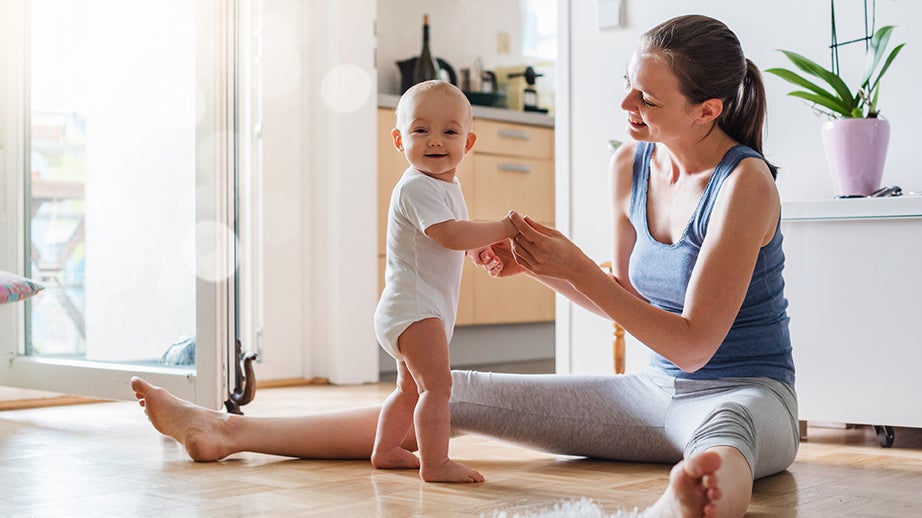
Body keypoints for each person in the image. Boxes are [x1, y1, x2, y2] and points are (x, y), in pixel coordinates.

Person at [130, 14, 797, 517]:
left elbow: (694, 342)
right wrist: (538, 264)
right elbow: (625, 301)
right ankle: (223, 430)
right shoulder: (631, 163)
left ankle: (700, 494)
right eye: (629, 88)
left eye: (647, 101)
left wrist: (575, 268)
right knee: (441, 388)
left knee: (724, 433)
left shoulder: (745, 185)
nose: (627, 108)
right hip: (649, 397)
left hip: (746, 393)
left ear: (708, 109)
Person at [370, 80, 515, 483]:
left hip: (411, 307)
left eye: (449, 132)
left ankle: (385, 450)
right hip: (416, 310)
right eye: (421, 130)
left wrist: (475, 249)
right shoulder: (416, 186)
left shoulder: (445, 185)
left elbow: (451, 236)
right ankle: (435, 464)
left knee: (409, 389)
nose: (435, 141)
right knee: (438, 387)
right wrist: (502, 228)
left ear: (468, 143)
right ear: (399, 140)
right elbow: (449, 234)